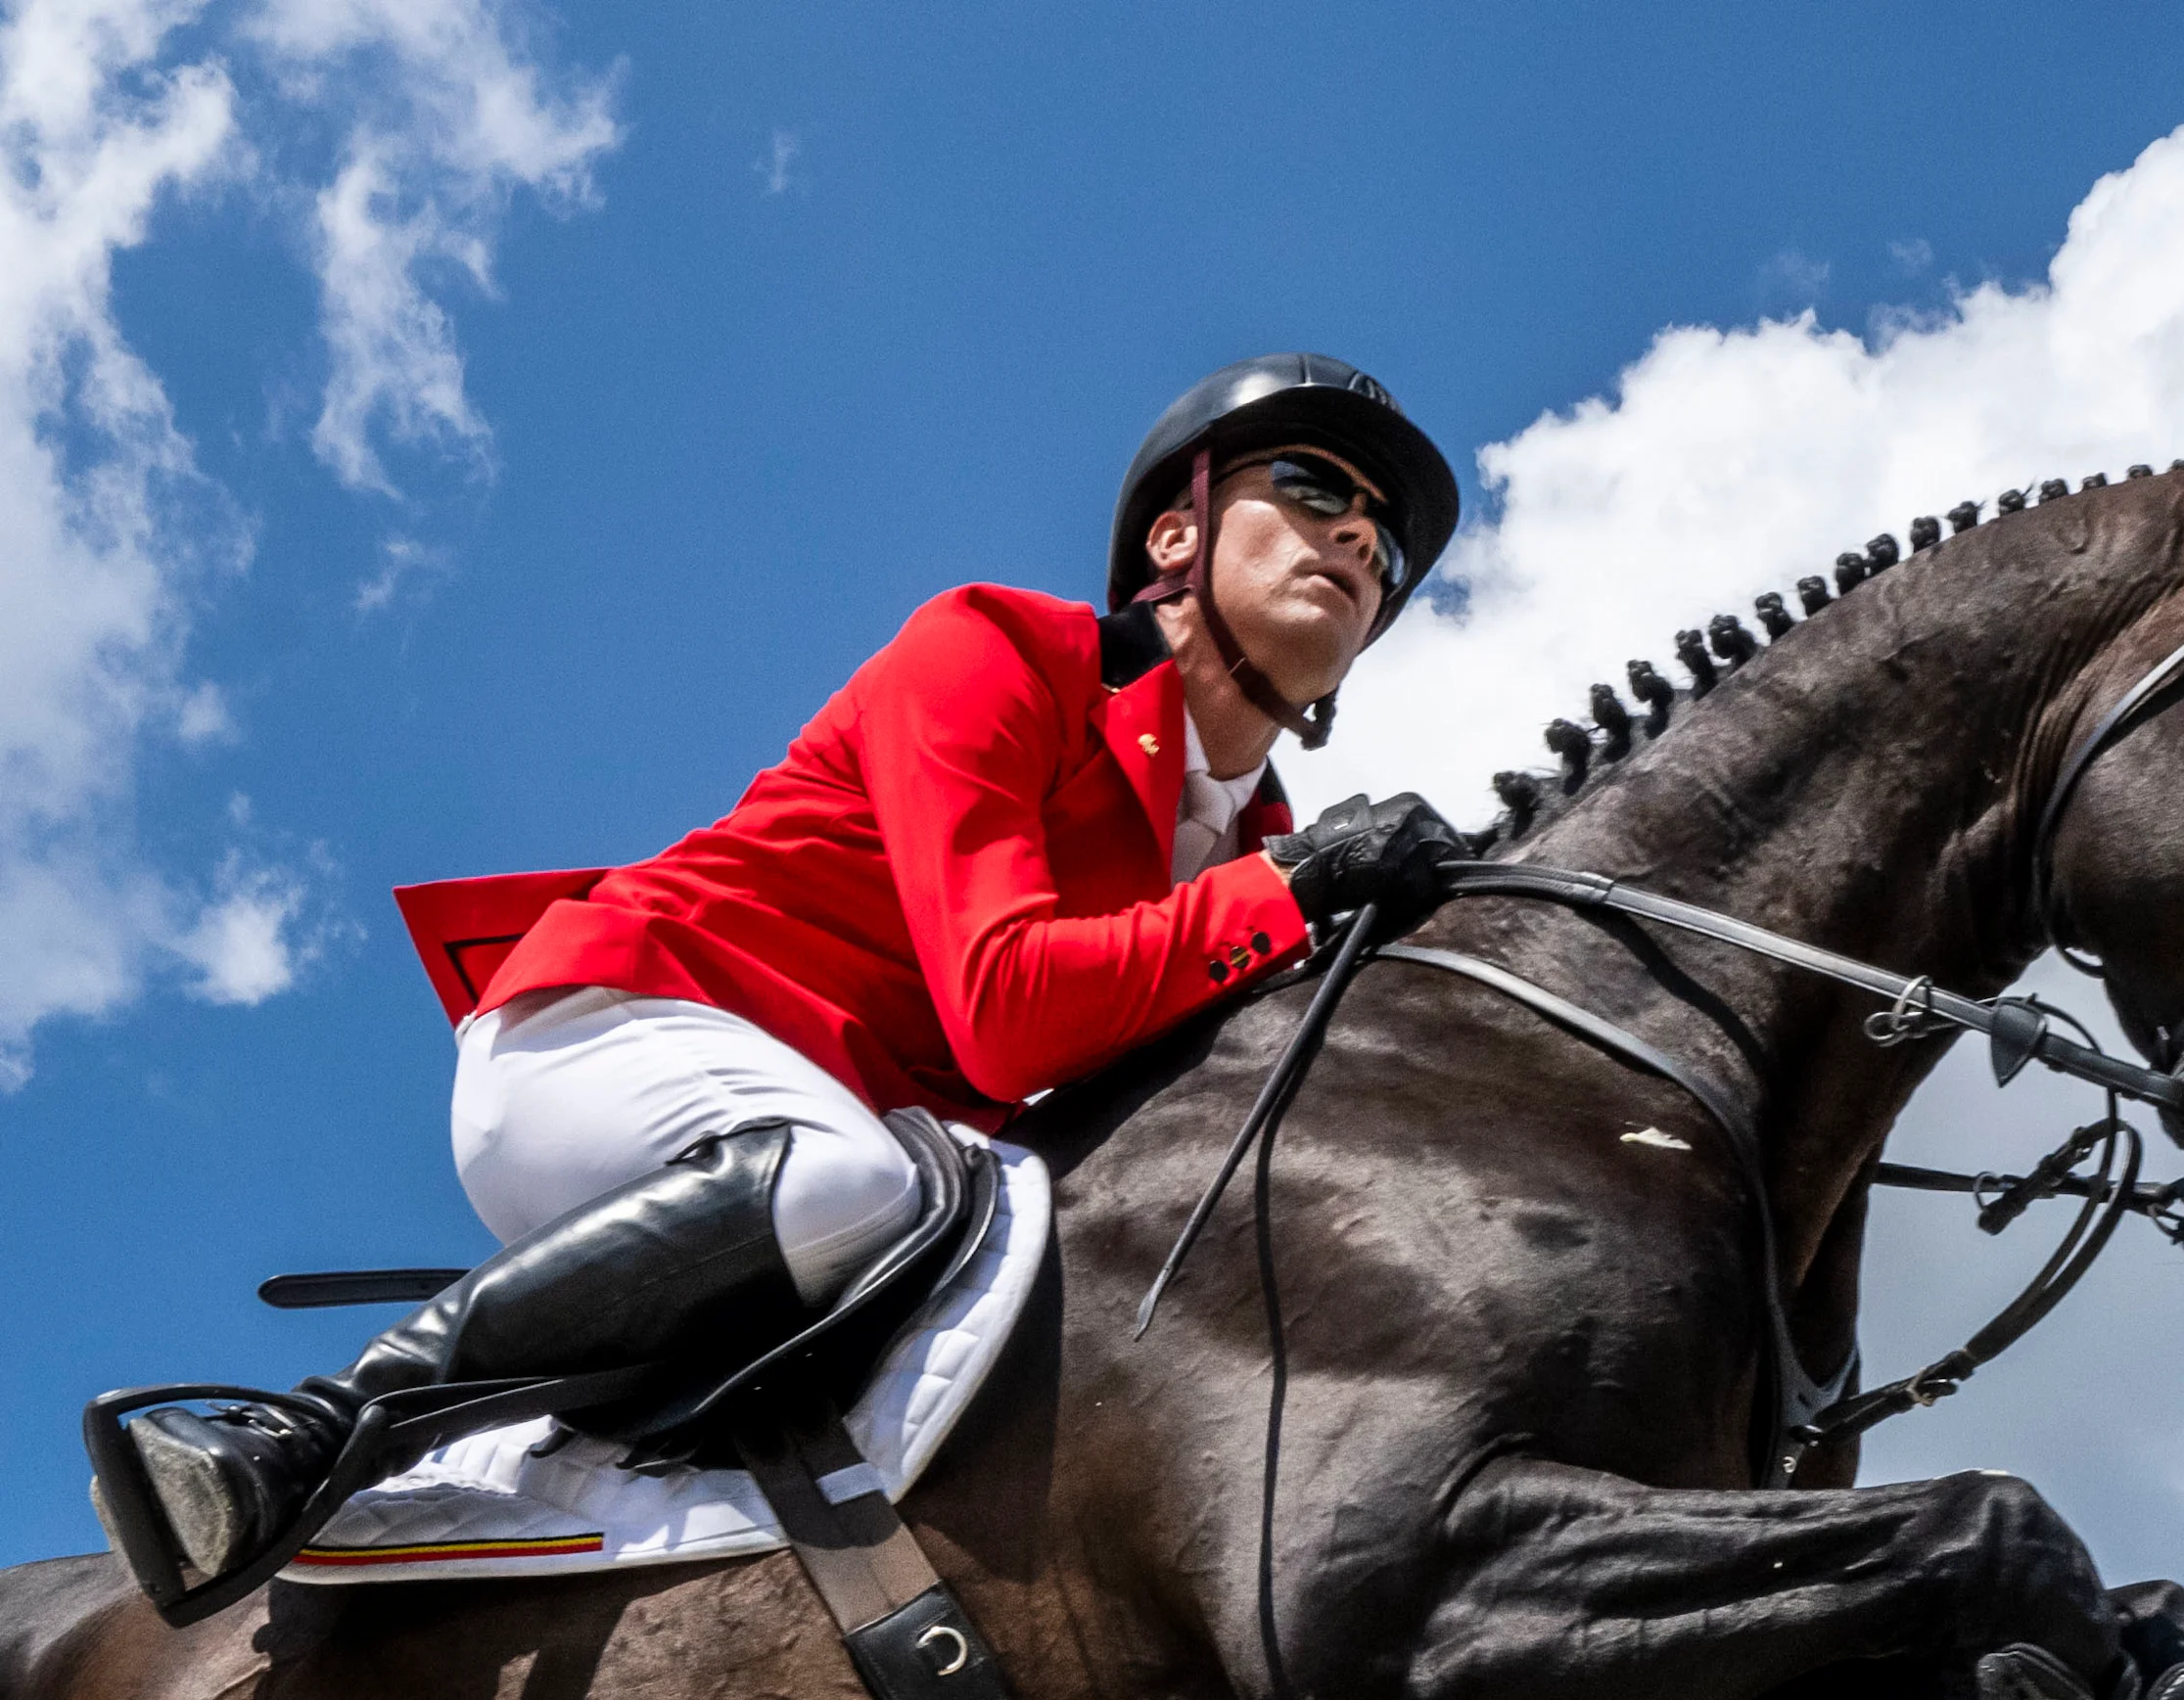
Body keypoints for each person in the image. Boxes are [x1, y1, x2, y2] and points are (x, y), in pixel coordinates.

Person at [98, 354, 1470, 1608]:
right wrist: (1289, 900)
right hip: (618, 1033)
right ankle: (310, 1433)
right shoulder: (999, 650)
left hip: (860, 1171)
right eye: (1312, 488)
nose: (1358, 536)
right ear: (1177, 533)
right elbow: (1009, 1017)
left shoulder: (1268, 852)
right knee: (842, 1178)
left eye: (1384, 538)